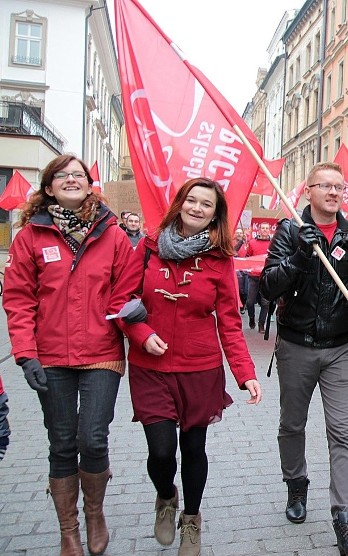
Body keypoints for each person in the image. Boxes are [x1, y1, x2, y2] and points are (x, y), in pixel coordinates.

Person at [119, 178, 262, 556]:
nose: (198, 208)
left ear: (217, 214)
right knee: (162, 450)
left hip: (200, 367)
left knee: (194, 447)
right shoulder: (149, 248)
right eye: (192, 200)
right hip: (151, 365)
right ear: (180, 203)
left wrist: (245, 373)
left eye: (207, 205)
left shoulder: (220, 258)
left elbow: (230, 322)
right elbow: (123, 300)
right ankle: (166, 497)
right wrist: (140, 333)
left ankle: (191, 520)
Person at [3, 154, 137, 555]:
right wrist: (25, 354)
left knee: (92, 438)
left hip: (101, 353)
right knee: (61, 442)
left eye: (79, 174)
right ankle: (69, 531)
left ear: (90, 184)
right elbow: (18, 298)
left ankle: (95, 513)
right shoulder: (30, 237)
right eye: (63, 175)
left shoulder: (113, 234)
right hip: (51, 356)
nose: (72, 179)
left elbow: (127, 288)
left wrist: (132, 311)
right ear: (49, 188)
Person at [261, 162, 348, 556]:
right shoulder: (289, 231)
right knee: (292, 425)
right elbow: (267, 285)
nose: (332, 192)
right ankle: (296, 483)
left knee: (343, 433)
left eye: (338, 187)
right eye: (324, 186)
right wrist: (299, 253)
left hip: (341, 348)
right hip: (296, 345)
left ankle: (347, 522)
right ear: (307, 191)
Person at [246, 222, 273, 332]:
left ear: (269, 230)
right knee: (249, 302)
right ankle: (251, 318)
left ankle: (261, 324)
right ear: (259, 230)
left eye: (267, 228)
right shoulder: (252, 243)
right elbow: (248, 257)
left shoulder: (273, 243)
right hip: (254, 277)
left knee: (265, 303)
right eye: (263, 228)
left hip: (267, 277)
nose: (265, 230)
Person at [233, 228, 249, 313]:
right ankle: (241, 305)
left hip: (247, 269)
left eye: (240, 233)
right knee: (241, 289)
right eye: (237, 233)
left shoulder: (248, 243)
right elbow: (233, 251)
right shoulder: (232, 243)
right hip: (237, 270)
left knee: (246, 291)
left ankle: (244, 303)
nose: (239, 234)